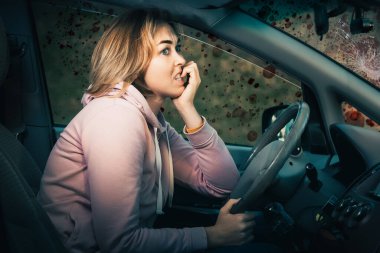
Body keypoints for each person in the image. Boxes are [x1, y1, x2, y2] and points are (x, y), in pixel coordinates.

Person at [37, 8, 257, 253]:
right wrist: (211, 237)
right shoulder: (115, 118)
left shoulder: (152, 123)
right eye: (165, 50)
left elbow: (221, 186)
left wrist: (187, 108)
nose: (181, 60)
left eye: (177, 47)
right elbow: (120, 244)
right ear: (132, 60)